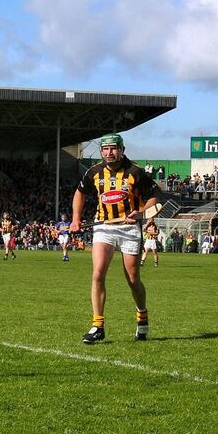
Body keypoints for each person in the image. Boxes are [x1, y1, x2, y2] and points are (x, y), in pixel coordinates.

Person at [70, 133, 158, 344]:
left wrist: (141, 214)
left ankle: (142, 316)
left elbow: (153, 197)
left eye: (113, 149)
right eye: (105, 149)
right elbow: (80, 193)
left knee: (133, 279)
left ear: (122, 150)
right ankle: (97, 325)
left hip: (129, 229)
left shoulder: (135, 172)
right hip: (104, 227)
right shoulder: (93, 172)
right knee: (98, 273)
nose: (109, 153)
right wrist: (75, 219)